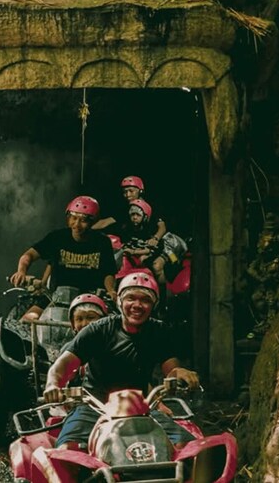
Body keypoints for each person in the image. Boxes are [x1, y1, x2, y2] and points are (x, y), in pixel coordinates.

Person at [42, 272, 199, 449]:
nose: (137, 305)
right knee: (67, 449)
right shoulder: (98, 330)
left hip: (140, 407)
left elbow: (171, 369)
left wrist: (181, 373)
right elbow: (62, 365)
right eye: (131, 298)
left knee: (188, 447)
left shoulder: (159, 331)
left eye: (145, 300)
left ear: (154, 305)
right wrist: (53, 385)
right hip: (94, 406)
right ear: (119, 301)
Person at [10, 196, 117, 319]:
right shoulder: (57, 238)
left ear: (93, 221)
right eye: (74, 218)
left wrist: (110, 290)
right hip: (55, 296)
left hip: (88, 299)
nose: (77, 224)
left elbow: (108, 272)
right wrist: (21, 271)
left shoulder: (102, 242)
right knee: (28, 320)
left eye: (83, 220)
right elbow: (28, 255)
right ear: (68, 217)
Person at [92, 175, 167, 248]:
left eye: (131, 191)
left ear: (140, 191)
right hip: (135, 244)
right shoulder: (125, 208)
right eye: (125, 192)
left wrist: (155, 238)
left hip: (153, 244)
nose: (127, 195)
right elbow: (105, 222)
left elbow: (162, 227)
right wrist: (87, 228)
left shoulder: (152, 205)